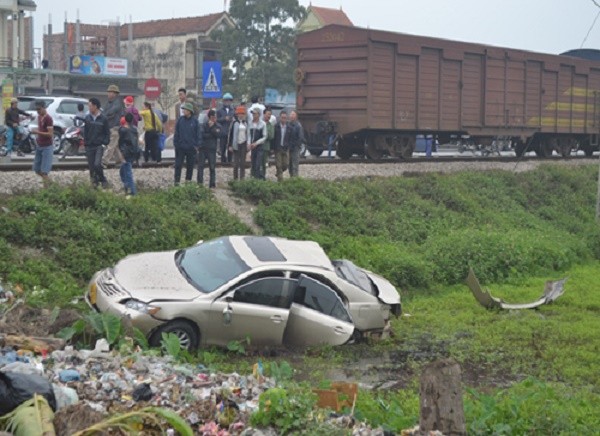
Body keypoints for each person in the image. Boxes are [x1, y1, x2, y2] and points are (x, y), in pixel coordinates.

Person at [83, 97, 110, 188]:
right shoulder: (87, 118)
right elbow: (85, 131)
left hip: (99, 145)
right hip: (89, 146)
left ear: (95, 106)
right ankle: (94, 184)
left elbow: (107, 133)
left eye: (90, 106)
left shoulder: (103, 119)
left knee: (97, 164)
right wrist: (85, 143)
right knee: (91, 167)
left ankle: (103, 179)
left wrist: (104, 143)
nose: (89, 108)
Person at [173, 102, 201, 185]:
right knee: (178, 165)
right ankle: (176, 182)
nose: (183, 111)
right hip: (180, 147)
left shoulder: (195, 121)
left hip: (191, 148)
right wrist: (176, 144)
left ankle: (188, 182)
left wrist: (196, 145)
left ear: (189, 111)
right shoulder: (180, 120)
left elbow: (198, 134)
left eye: (185, 109)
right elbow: (176, 133)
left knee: (190, 166)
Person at [31, 100, 54, 185]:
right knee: (37, 169)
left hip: (47, 146)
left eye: (39, 109)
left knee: (44, 172)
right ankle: (51, 184)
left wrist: (37, 132)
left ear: (44, 108)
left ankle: (47, 189)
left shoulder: (48, 118)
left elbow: (50, 134)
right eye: (37, 109)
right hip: (39, 145)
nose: (38, 111)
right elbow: (41, 130)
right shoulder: (39, 117)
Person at [118, 112, 140, 196]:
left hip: (126, 153)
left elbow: (121, 143)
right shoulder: (134, 129)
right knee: (123, 170)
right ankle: (126, 187)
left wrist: (122, 154)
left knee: (127, 172)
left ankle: (133, 192)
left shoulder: (122, 130)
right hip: (133, 152)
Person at [198, 109, 221, 188]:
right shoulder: (204, 125)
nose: (213, 119)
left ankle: (212, 184)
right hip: (203, 148)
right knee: (201, 167)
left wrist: (211, 129)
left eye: (215, 117)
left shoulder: (217, 125)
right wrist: (211, 134)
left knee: (212, 167)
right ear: (209, 117)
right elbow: (202, 135)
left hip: (212, 149)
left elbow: (218, 134)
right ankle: (200, 183)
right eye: (212, 117)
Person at [102, 84, 125, 166]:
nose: (108, 94)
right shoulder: (108, 103)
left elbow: (110, 113)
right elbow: (104, 113)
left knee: (111, 145)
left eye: (110, 92)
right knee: (115, 146)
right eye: (108, 92)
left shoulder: (117, 103)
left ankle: (104, 162)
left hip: (115, 127)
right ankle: (120, 162)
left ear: (115, 93)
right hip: (109, 127)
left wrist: (105, 116)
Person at [248, 108, 267, 180]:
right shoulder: (250, 123)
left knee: (258, 163)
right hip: (252, 146)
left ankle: (259, 178)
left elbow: (264, 136)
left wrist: (256, 143)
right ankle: (253, 178)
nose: (253, 115)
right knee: (253, 163)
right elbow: (249, 134)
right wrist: (249, 143)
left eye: (255, 113)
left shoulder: (263, 124)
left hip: (259, 146)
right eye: (252, 114)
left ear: (259, 114)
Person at [230, 105, 248, 180]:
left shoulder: (246, 123)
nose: (241, 115)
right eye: (240, 114)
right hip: (236, 144)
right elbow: (230, 135)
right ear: (237, 114)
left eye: (242, 114)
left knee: (243, 163)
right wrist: (230, 145)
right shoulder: (234, 123)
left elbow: (248, 134)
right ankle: (235, 178)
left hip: (243, 144)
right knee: (236, 164)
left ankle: (242, 178)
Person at [273, 111, 291, 182]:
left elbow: (290, 138)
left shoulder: (289, 127)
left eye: (285, 118)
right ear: (280, 118)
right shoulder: (276, 126)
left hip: (286, 148)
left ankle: (278, 173)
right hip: (278, 148)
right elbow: (274, 138)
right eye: (282, 118)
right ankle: (280, 181)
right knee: (278, 165)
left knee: (285, 164)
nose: (284, 119)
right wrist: (273, 148)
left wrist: (289, 145)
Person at [216, 92, 234, 163]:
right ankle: (223, 161)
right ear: (223, 101)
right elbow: (217, 120)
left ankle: (229, 161)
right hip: (222, 131)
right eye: (226, 100)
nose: (227, 102)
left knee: (230, 147)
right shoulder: (219, 110)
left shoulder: (233, 110)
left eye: (229, 100)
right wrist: (224, 118)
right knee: (222, 147)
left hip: (230, 132)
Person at [288, 110, 304, 177]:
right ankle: (291, 177)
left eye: (293, 114)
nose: (291, 116)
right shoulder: (288, 124)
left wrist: (296, 145)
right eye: (291, 114)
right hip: (289, 147)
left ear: (296, 116)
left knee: (295, 164)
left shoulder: (298, 126)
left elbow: (300, 137)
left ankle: (295, 179)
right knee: (289, 164)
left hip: (295, 148)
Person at [262, 108, 274, 178]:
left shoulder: (270, 125)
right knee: (257, 163)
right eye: (268, 114)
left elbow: (271, 136)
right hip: (258, 146)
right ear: (264, 114)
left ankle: (263, 177)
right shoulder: (260, 123)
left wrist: (264, 134)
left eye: (270, 114)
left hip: (266, 147)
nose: (269, 116)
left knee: (264, 163)